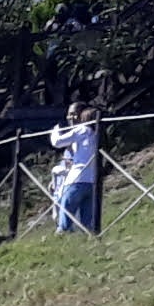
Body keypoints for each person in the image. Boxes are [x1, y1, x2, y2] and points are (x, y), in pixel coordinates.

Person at [51, 98, 103, 235]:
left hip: (76, 179)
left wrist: (55, 130)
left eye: (75, 114)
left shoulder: (82, 130)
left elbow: (57, 142)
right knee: (87, 223)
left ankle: (61, 237)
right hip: (92, 182)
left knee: (65, 216)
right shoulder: (96, 134)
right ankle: (89, 241)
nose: (71, 118)